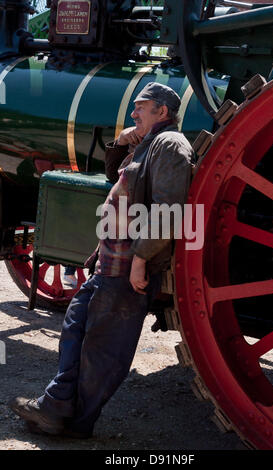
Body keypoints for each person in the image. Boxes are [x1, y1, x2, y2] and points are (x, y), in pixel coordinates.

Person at [9, 82, 195, 438]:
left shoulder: (171, 145)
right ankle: (56, 405)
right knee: (76, 327)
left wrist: (141, 259)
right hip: (110, 259)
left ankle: (75, 422)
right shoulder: (146, 144)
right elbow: (116, 181)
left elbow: (169, 212)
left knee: (103, 347)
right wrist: (122, 143)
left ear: (163, 112)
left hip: (129, 265)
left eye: (141, 107)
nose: (134, 113)